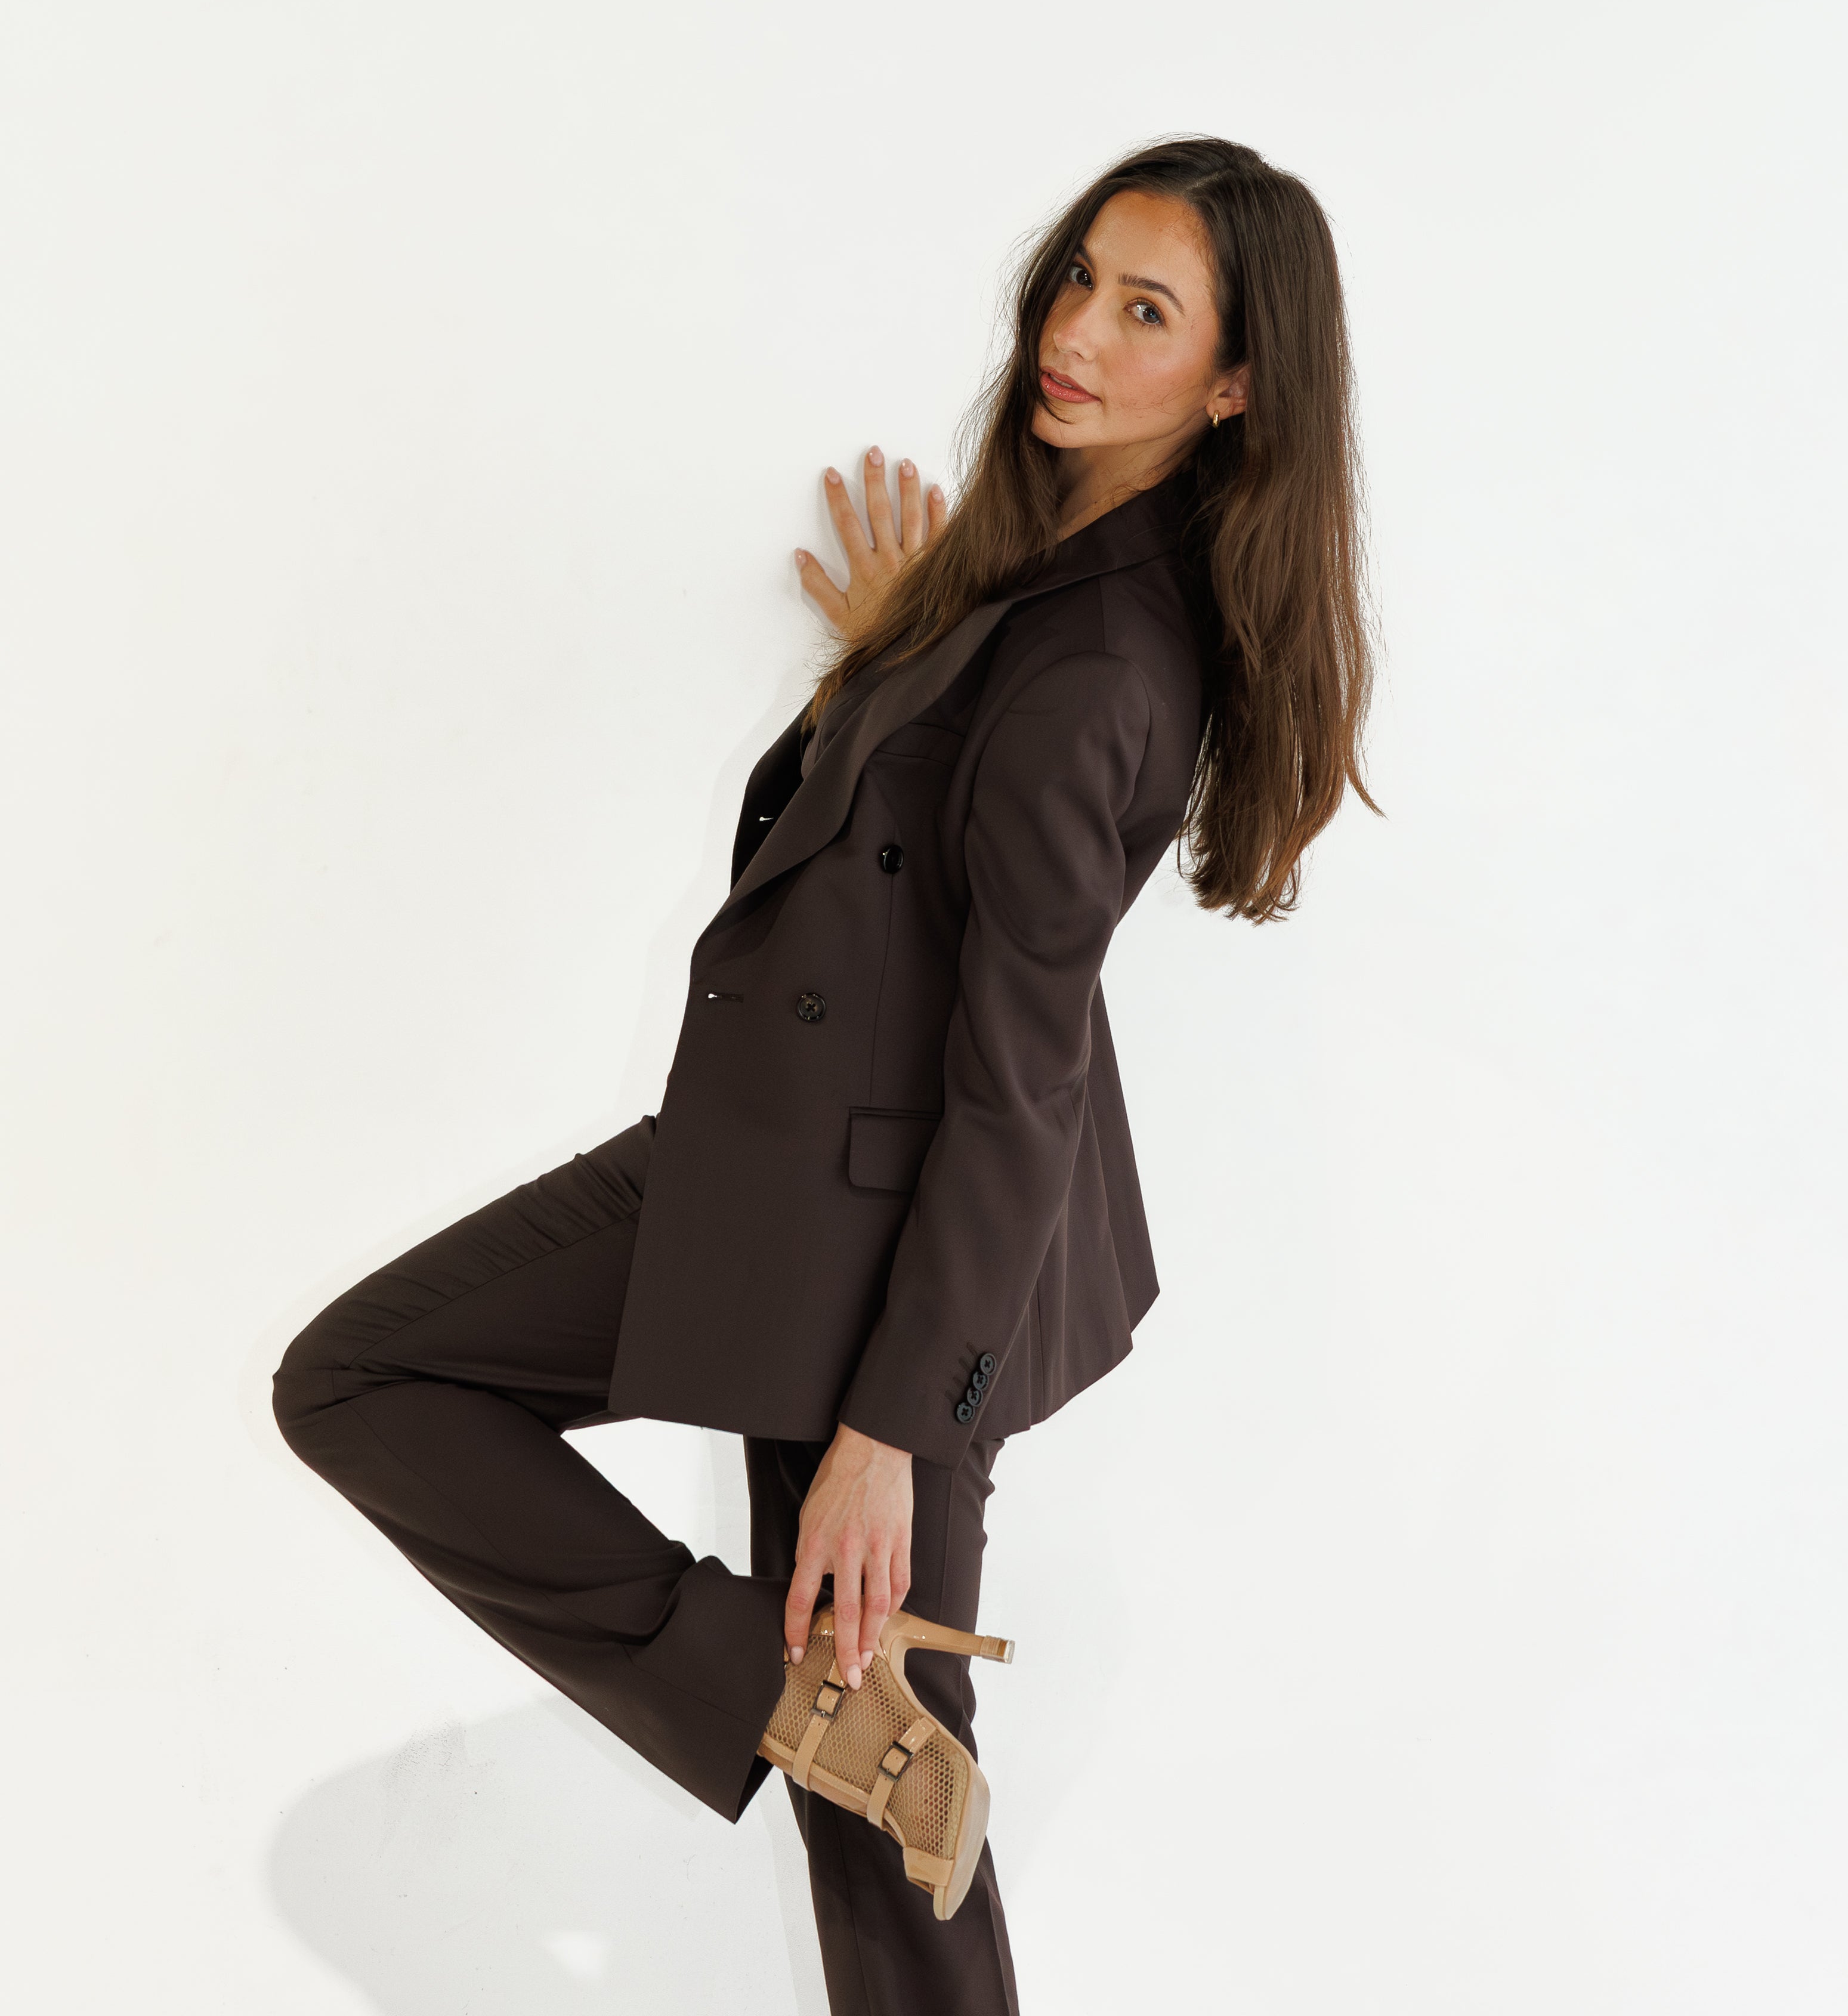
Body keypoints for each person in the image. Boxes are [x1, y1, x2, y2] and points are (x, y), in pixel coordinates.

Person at [273, 135, 1375, 2014]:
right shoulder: (1038, 582)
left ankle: (808, 1706)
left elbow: (1018, 1082)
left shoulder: (1099, 661)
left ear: (1236, 382)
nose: (1075, 335)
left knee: (890, 1834)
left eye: (1145, 311)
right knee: (371, 1380)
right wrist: (902, 651)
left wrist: (896, 1434)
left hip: (881, 1246)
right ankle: (800, 1705)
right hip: (772, 1171)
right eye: (1077, 280)